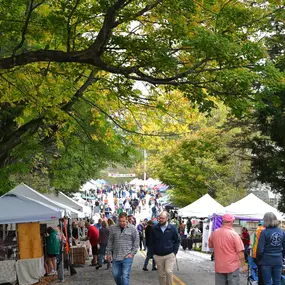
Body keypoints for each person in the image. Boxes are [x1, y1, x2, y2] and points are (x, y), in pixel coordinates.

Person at [208, 214, 247, 285]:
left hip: (219, 266)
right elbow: (240, 252)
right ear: (231, 222)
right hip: (232, 267)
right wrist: (243, 265)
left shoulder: (214, 233)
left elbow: (210, 245)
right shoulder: (234, 235)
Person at [106, 212, 139, 285]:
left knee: (125, 276)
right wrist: (108, 253)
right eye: (120, 221)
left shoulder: (132, 229)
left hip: (127, 257)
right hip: (116, 256)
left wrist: (132, 253)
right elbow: (110, 241)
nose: (122, 223)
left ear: (127, 220)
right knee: (116, 275)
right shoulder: (113, 228)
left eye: (123, 221)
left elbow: (136, 242)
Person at [152, 211, 180, 285]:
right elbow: (151, 241)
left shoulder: (172, 228)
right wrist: (153, 254)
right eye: (159, 218)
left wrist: (174, 252)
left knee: (168, 271)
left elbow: (177, 240)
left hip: (169, 255)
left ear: (167, 219)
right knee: (161, 275)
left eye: (162, 218)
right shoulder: (154, 228)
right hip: (158, 255)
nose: (160, 219)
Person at [257, 212, 285, 285]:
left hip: (266, 260)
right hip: (278, 260)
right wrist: (282, 257)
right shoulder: (281, 231)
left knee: (267, 282)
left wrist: (258, 260)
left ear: (266, 221)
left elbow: (260, 250)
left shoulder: (264, 232)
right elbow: (284, 247)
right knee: (277, 281)